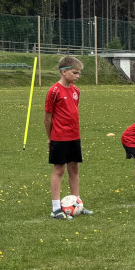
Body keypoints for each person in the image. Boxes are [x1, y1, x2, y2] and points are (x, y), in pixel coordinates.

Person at [45, 56, 90, 219]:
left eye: (79, 73)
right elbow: (48, 117)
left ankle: (76, 202)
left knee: (74, 169)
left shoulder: (76, 91)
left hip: (74, 136)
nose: (78, 76)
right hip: (59, 137)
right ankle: (56, 208)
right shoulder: (54, 91)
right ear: (64, 72)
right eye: (75, 73)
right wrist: (50, 138)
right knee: (59, 170)